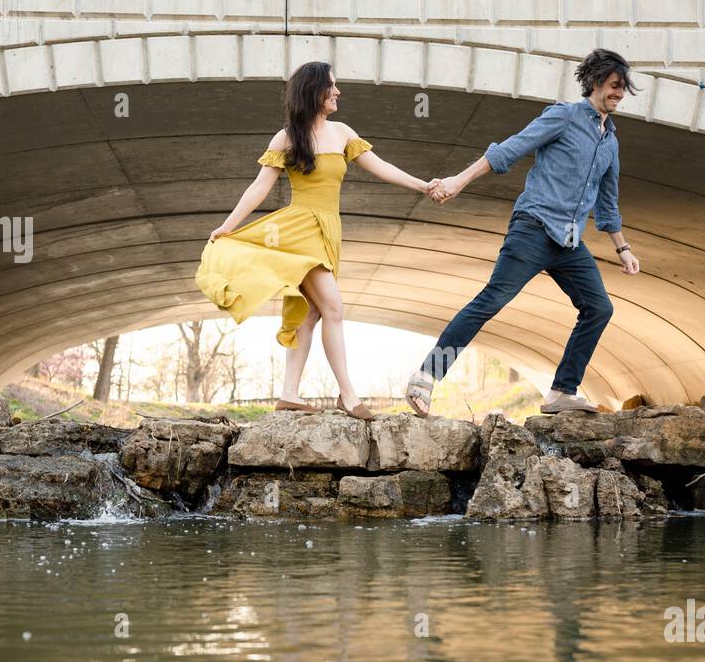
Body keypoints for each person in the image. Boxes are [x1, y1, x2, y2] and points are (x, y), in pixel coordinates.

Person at [195, 61, 441, 421]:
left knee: (310, 314)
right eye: (332, 86)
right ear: (314, 91)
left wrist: (423, 186)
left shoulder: (342, 133)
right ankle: (348, 394)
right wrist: (228, 226)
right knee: (334, 308)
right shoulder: (287, 138)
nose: (338, 92)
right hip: (300, 231)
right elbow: (259, 187)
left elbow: (381, 166)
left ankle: (288, 394)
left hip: (328, 230)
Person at [406, 48, 641, 417]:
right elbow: (510, 149)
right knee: (490, 302)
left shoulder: (610, 141)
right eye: (614, 86)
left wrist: (622, 248)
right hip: (533, 228)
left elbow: (607, 203)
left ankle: (562, 391)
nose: (619, 94)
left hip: (568, 242)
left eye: (623, 89)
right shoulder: (563, 117)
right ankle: (425, 378)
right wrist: (459, 181)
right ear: (596, 82)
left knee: (598, 307)